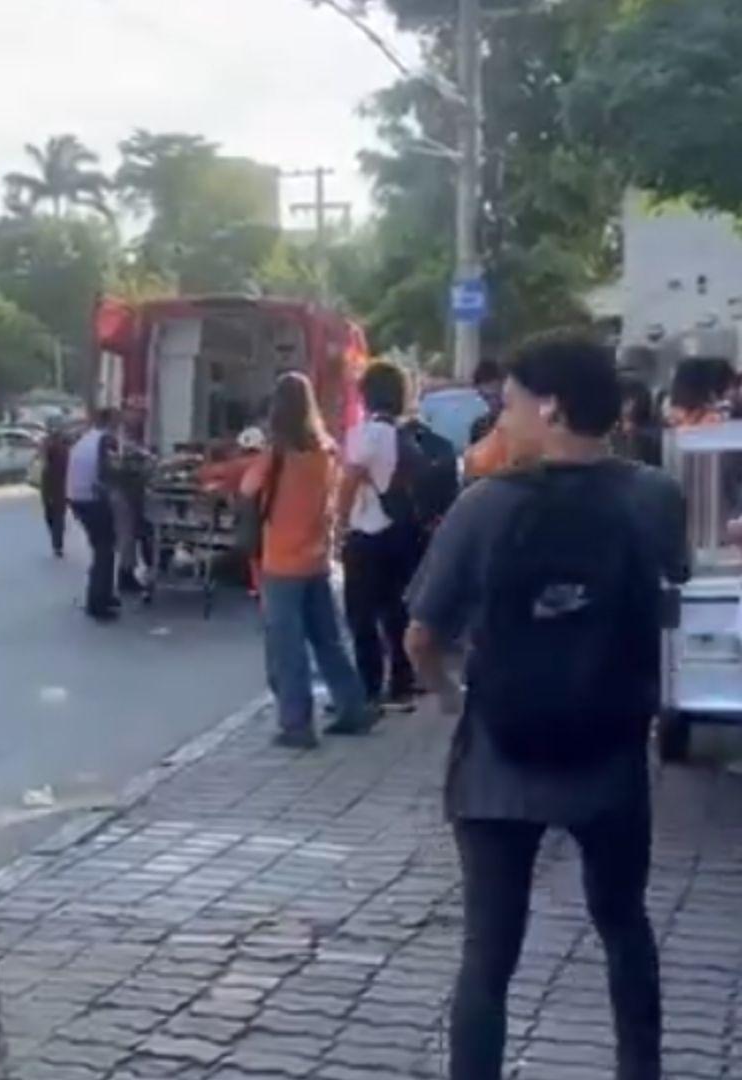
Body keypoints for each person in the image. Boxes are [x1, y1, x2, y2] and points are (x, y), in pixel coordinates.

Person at [405, 332, 686, 1080]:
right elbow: (677, 587)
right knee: (624, 925)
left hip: (499, 761)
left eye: (512, 404)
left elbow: (421, 636)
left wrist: (451, 695)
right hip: (611, 752)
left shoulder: (484, 507)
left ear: (552, 409)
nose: (503, 418)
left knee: (489, 956)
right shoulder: (654, 496)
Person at [243, 372, 376, 748]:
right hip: (316, 558)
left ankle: (297, 725)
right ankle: (353, 707)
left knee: (288, 648)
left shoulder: (275, 457)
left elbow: (248, 489)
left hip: (281, 562)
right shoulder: (327, 452)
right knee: (328, 639)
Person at [336, 361, 422, 711]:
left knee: (361, 615)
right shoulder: (405, 436)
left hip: (368, 532)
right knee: (395, 610)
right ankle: (402, 683)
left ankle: (369, 688)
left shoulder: (367, 433)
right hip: (400, 531)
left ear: (366, 395)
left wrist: (338, 524)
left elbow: (350, 481)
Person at [66, 408, 122, 622]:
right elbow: (105, 471)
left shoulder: (86, 438)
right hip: (92, 498)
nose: (119, 424)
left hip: (77, 496)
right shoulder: (105, 439)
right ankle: (97, 601)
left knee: (102, 547)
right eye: (117, 420)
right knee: (104, 548)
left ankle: (104, 593)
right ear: (110, 421)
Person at [37, 421, 73, 558]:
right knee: (52, 516)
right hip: (51, 487)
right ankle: (57, 541)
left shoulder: (63, 449)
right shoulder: (50, 447)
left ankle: (57, 544)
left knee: (56, 516)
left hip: (58, 487)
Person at [613, 376, 663, 467]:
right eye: (626, 401)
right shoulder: (612, 431)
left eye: (633, 400)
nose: (630, 406)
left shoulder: (653, 433)